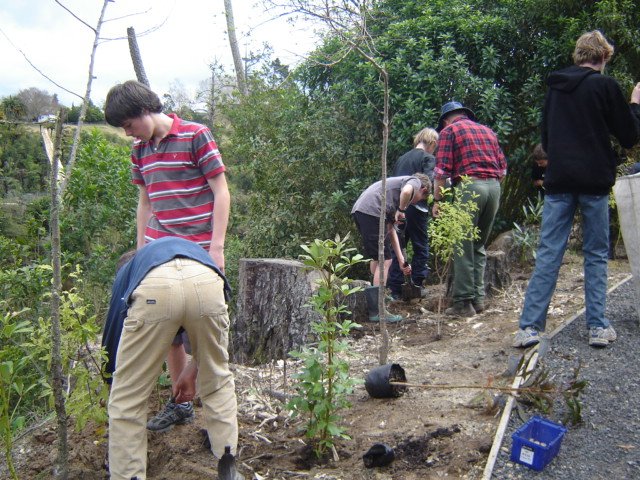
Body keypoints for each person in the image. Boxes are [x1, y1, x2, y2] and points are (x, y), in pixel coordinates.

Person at [104, 80, 231, 431]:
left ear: (144, 110)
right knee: (168, 330)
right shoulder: (140, 150)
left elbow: (221, 191)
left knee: (205, 327)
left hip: (198, 251)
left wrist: (216, 247)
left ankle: (208, 402)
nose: (129, 133)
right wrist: (141, 251)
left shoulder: (195, 134)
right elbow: (145, 201)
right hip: (158, 249)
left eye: (129, 124)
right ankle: (181, 405)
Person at [513, 30, 640, 349]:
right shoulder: (605, 86)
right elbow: (629, 136)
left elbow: (546, 136)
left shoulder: (555, 89)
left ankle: (529, 327)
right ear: (604, 57)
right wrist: (635, 105)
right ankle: (597, 327)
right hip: (594, 181)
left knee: (549, 252)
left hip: (559, 181)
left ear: (579, 55)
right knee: (596, 253)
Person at [102, 237, 238, 480]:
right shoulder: (179, 250)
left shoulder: (128, 274)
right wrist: (192, 369)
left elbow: (112, 335)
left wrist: (113, 380)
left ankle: (128, 474)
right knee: (217, 379)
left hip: (156, 290)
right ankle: (228, 464)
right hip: (207, 280)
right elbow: (210, 345)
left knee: (128, 398)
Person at [432, 101, 507, 317]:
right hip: (493, 188)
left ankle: (463, 304)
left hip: (469, 186)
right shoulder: (488, 131)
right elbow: (503, 169)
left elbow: (441, 172)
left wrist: (437, 200)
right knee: (478, 244)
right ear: (466, 114)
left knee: (462, 244)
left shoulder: (450, 131)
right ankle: (478, 299)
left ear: (446, 120)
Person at [352, 174, 431, 322]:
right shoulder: (414, 182)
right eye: (421, 198)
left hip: (363, 210)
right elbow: (408, 192)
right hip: (371, 211)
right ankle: (378, 310)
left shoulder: (391, 197)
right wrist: (401, 209)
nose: (417, 202)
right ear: (423, 189)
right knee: (385, 260)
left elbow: (391, 230)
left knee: (378, 257)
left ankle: (376, 296)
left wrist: (401, 260)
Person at [387, 127, 438, 300]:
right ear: (431, 143)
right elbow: (430, 181)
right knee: (420, 245)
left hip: (399, 206)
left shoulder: (402, 158)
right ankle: (417, 284)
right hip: (417, 207)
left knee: (398, 246)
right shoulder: (428, 158)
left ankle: (395, 289)